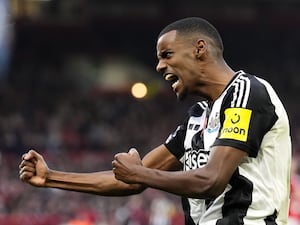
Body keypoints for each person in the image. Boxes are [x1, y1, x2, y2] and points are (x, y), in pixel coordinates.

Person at [19, 17, 291, 225]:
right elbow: (130, 181)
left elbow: (212, 180)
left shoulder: (247, 92)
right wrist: (51, 177)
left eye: (167, 55)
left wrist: (139, 173)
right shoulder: (198, 116)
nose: (160, 66)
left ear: (199, 49)